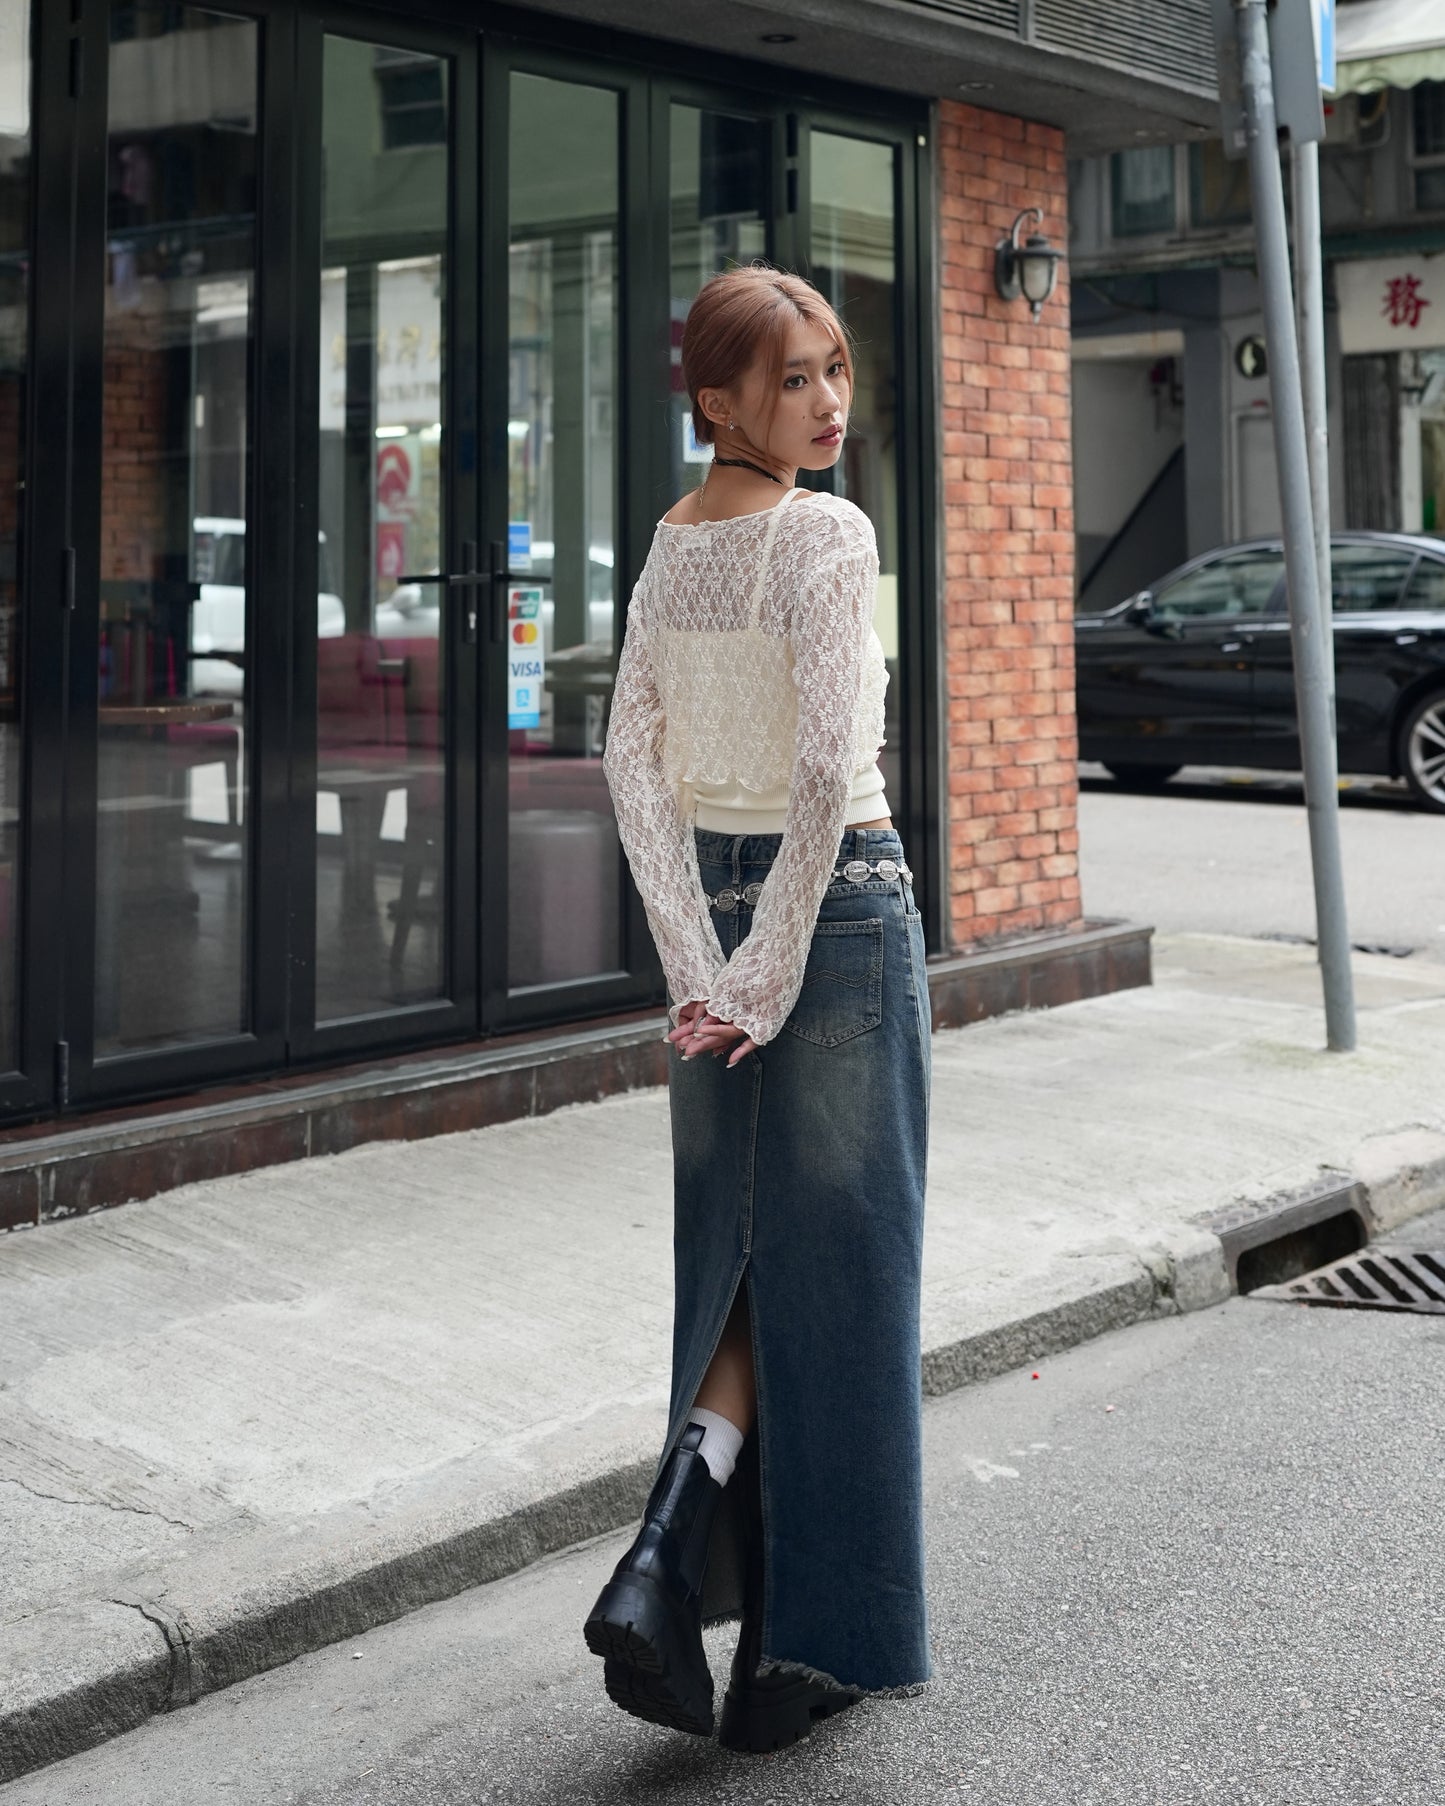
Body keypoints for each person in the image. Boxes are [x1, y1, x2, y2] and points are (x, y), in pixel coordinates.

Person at [584, 263, 931, 1755]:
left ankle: (665, 1560)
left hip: (734, 922)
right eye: (793, 378)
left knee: (735, 1256)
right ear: (716, 400)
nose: (829, 401)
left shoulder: (672, 547)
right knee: (841, 1273)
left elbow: (631, 764)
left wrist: (699, 965)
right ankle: (806, 1653)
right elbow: (823, 773)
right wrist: (759, 976)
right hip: (835, 913)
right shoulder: (826, 534)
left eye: (834, 368)